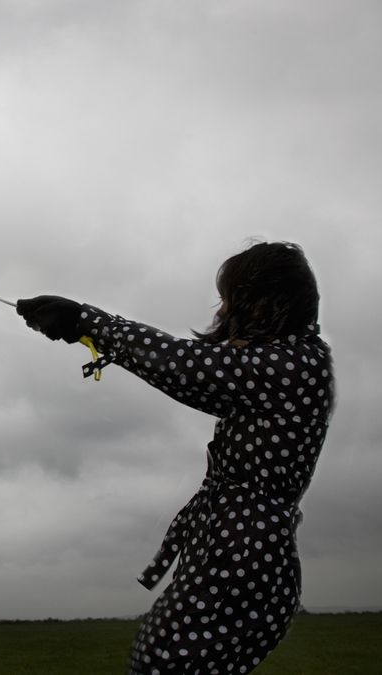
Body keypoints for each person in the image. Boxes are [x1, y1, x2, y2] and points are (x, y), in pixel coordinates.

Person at [17, 241, 334, 674]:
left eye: (229, 299)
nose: (221, 312)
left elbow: (184, 367)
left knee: (160, 666)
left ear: (264, 302)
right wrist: (85, 327)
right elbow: (190, 372)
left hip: (242, 554)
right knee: (155, 659)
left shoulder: (292, 365)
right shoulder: (295, 361)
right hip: (234, 547)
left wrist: (83, 320)